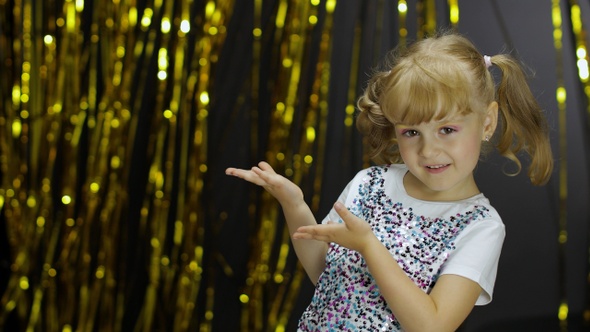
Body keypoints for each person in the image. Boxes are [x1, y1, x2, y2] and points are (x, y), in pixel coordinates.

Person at [226, 32, 553, 331]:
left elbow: (433, 326)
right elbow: (326, 277)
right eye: (411, 132)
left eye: (447, 130)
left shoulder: (479, 226)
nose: (428, 149)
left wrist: (370, 247)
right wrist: (293, 203)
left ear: (487, 122)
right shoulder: (369, 184)